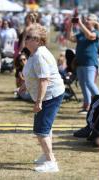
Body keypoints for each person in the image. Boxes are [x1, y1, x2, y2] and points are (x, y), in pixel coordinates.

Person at [21, 23, 65, 172]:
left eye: (29, 38)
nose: (26, 40)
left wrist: (39, 101)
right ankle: (46, 155)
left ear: (39, 41)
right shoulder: (35, 53)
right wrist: (24, 85)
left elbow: (44, 79)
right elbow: (34, 75)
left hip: (50, 95)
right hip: (48, 94)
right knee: (46, 128)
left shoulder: (40, 55)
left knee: (41, 129)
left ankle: (51, 162)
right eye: (26, 37)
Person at [67, 13, 99, 114]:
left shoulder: (96, 32)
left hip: (90, 62)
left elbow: (90, 36)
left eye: (88, 19)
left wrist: (80, 23)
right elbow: (70, 38)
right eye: (85, 19)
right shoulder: (81, 34)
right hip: (80, 62)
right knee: (82, 84)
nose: (86, 20)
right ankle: (87, 105)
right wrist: (70, 25)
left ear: (94, 22)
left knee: (90, 83)